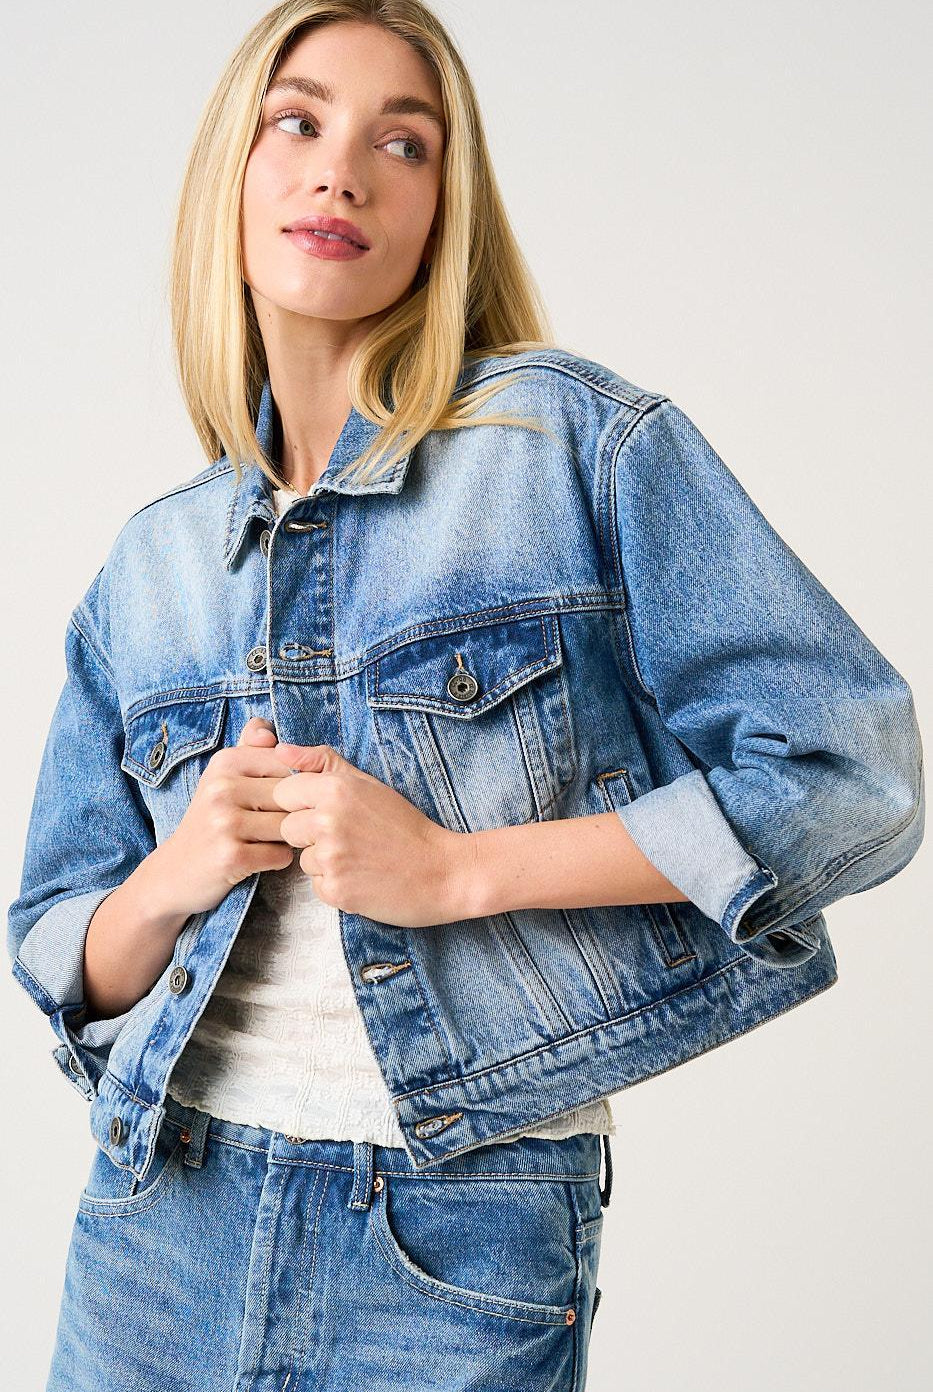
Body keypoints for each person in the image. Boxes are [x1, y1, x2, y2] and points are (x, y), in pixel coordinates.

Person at [7, 3, 924, 1390]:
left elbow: (848, 773)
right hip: (156, 1230)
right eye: (296, 122)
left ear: (448, 206)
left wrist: (455, 871)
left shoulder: (564, 441)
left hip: (455, 1243)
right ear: (232, 175)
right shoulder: (154, 562)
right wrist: (177, 874)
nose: (340, 173)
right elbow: (57, 946)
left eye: (404, 141)